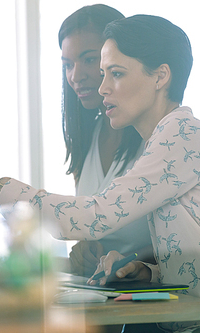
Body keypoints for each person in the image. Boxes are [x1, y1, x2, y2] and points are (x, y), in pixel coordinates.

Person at [0, 14, 200, 332]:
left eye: (117, 74)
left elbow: (97, 214)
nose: (103, 86)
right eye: (103, 74)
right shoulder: (164, 138)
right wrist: (147, 272)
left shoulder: (182, 133)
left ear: (160, 77)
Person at [57, 4, 152, 276]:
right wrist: (84, 249)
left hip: (153, 299)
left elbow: (183, 246)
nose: (76, 76)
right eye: (67, 65)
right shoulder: (89, 135)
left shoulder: (160, 137)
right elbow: (90, 221)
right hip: (105, 297)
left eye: (89, 59)